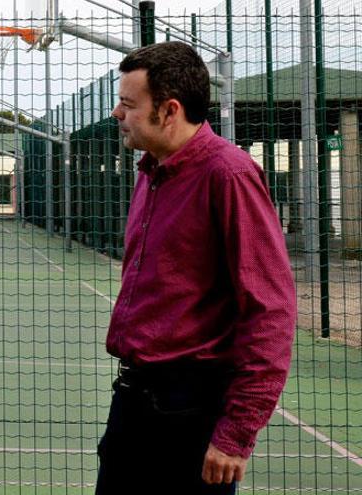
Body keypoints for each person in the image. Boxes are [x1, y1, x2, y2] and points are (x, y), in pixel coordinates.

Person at [97, 41, 296, 495]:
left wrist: (236, 435)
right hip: (134, 401)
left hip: (191, 411)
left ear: (169, 111)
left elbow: (270, 309)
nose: (116, 113)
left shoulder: (228, 174)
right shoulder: (150, 172)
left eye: (128, 104)